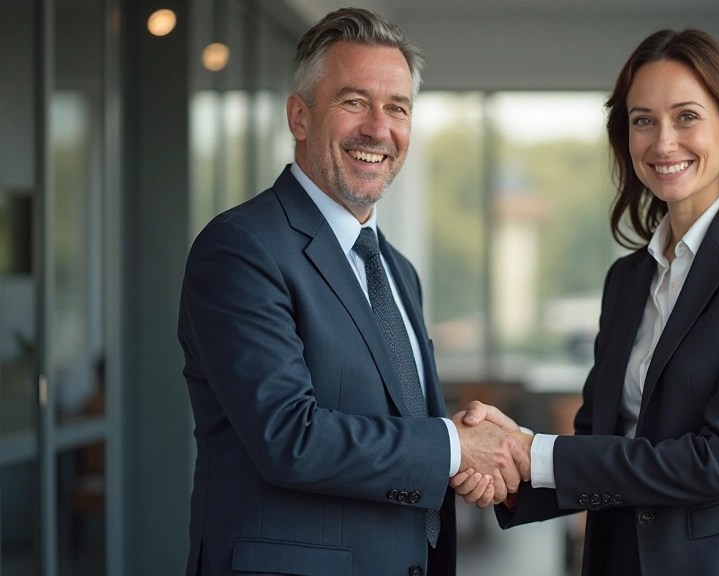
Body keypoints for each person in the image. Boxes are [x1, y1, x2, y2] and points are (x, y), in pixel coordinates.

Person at [452, 28, 719, 576]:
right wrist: (509, 469)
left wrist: (533, 452)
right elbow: (603, 443)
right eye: (642, 120)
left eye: (686, 116)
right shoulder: (627, 279)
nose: (662, 142)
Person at [177, 8, 526, 576]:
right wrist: (456, 448)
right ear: (300, 116)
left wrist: (472, 463)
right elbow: (289, 436)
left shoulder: (396, 269)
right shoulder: (241, 248)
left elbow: (409, 431)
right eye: (353, 101)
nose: (378, 129)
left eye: (397, 108)